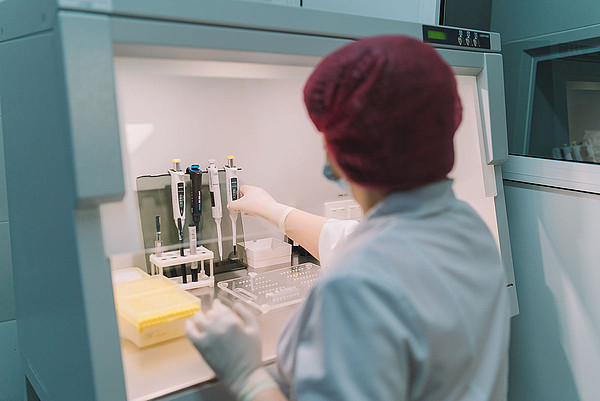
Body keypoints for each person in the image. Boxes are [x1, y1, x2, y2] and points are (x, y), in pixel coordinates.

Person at [186, 35, 510, 401]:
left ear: (344, 150)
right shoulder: (467, 227)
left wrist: (247, 377)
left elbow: (368, 264)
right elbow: (353, 239)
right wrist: (273, 210)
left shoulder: (356, 287)